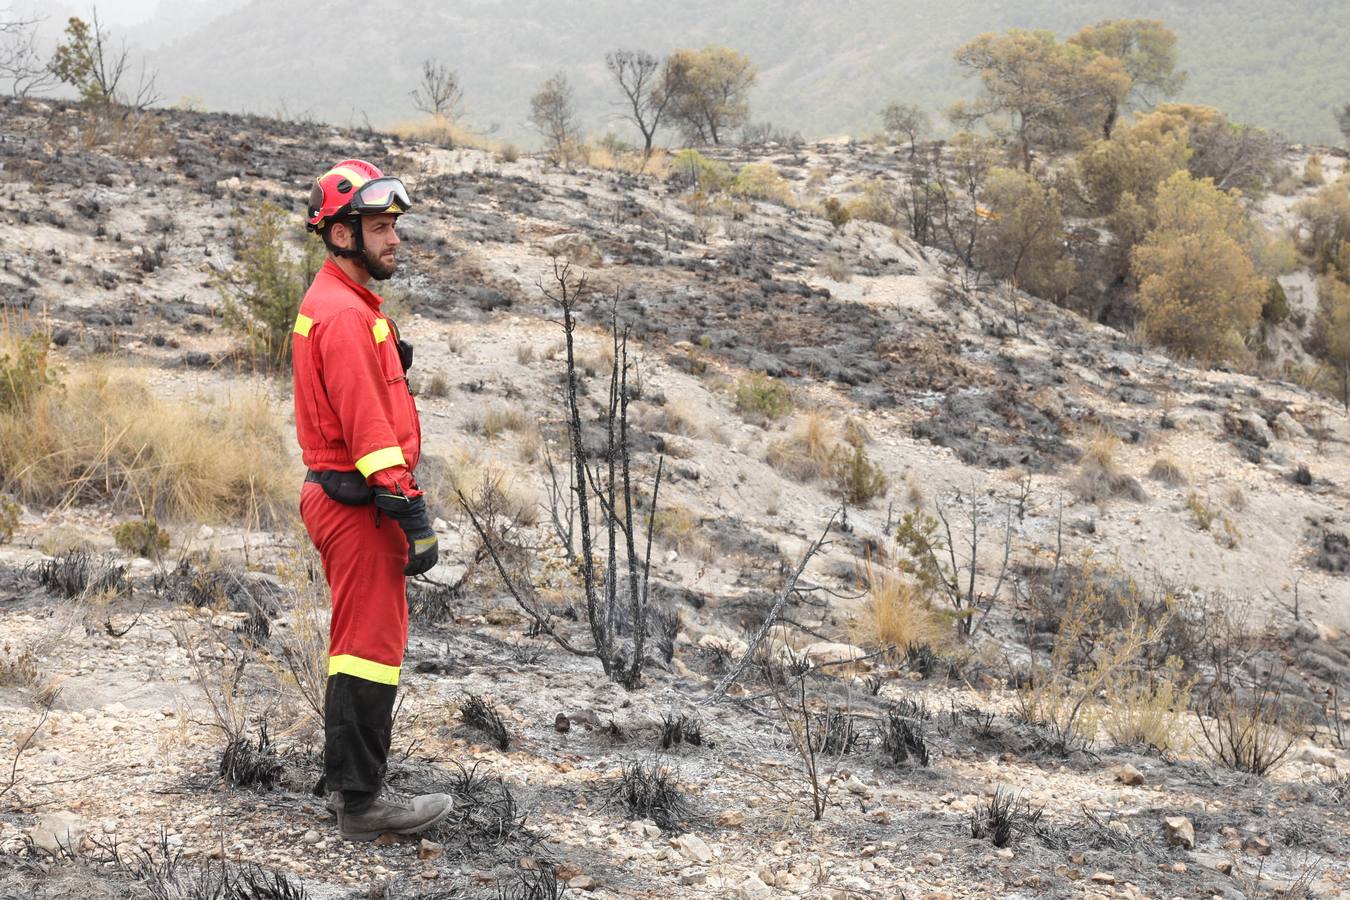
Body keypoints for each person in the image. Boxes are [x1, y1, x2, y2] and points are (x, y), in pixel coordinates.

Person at [291, 159, 450, 841]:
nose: (394, 240)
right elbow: (367, 432)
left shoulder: (345, 307)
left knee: (364, 643)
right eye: (381, 227)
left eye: (394, 227)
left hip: (354, 503)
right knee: (366, 648)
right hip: (359, 508)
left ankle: (348, 786)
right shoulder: (345, 319)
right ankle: (360, 805)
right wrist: (407, 508)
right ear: (342, 234)